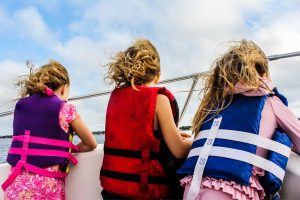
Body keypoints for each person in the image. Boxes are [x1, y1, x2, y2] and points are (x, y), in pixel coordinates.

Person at [177, 39, 300, 200]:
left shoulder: (215, 104)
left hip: (191, 191)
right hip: (232, 192)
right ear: (263, 73)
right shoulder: (271, 102)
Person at [100, 39, 192, 199]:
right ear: (157, 76)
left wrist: (169, 135)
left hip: (112, 192)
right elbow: (179, 150)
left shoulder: (115, 98)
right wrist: (196, 141)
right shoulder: (159, 100)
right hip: (147, 193)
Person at [2, 60, 97, 200]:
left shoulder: (20, 106)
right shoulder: (66, 109)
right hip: (46, 191)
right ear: (64, 88)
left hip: (14, 189)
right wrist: (66, 152)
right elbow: (91, 143)